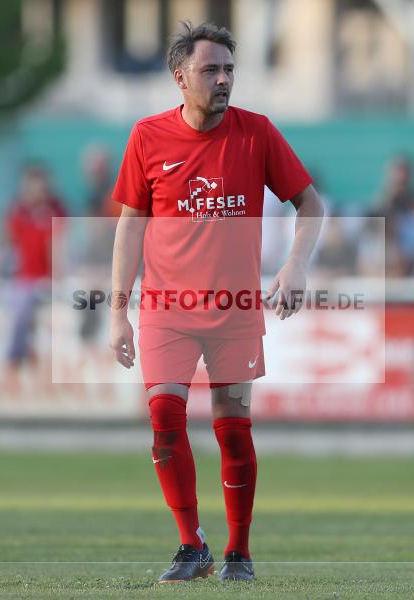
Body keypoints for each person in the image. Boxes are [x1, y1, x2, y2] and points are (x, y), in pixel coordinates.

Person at [109, 22, 323, 583]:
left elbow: (310, 204)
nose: (224, 79)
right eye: (211, 70)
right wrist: (117, 311)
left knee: (233, 426)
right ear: (180, 77)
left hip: (234, 307)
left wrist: (295, 265)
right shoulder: (147, 137)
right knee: (163, 419)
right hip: (166, 309)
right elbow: (130, 229)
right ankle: (190, 545)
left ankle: (239, 553)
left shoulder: (257, 133)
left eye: (229, 69)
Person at [0, 164, 68, 366]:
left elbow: (59, 248)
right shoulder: (17, 213)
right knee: (19, 304)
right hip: (25, 279)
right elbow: (1, 244)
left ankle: (15, 356)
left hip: (45, 280)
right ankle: (14, 356)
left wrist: (58, 278)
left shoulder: (56, 211)